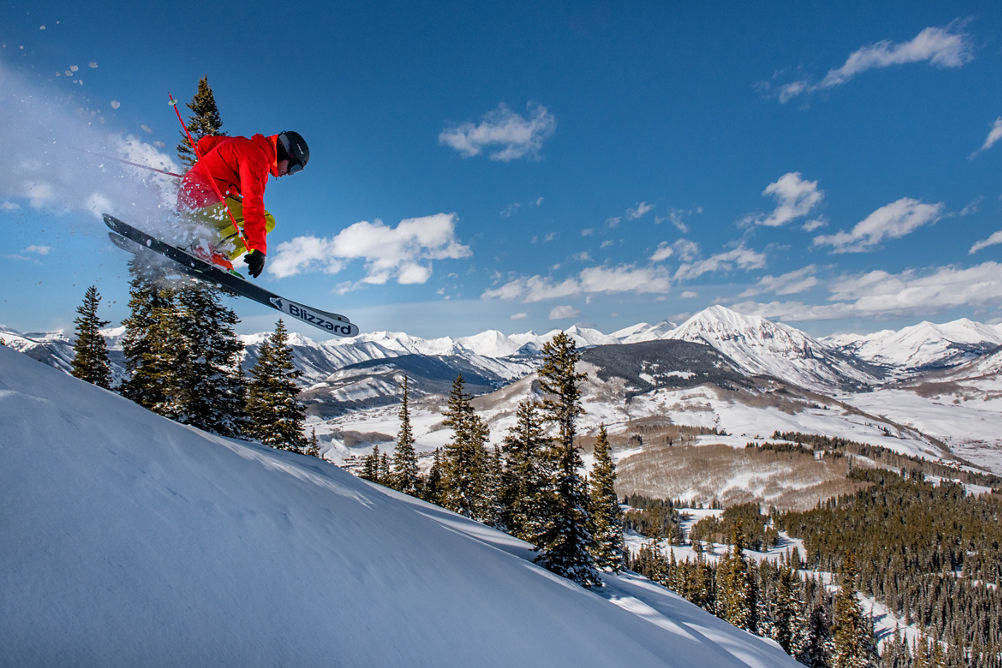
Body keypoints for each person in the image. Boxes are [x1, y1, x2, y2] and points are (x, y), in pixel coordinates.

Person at [176, 131, 309, 277]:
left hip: (190, 198)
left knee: (234, 205)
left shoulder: (241, 143)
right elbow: (253, 203)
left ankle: (201, 242)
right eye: (294, 168)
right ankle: (212, 251)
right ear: (286, 152)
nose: (289, 173)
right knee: (268, 220)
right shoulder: (257, 157)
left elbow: (204, 144)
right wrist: (258, 248)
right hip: (206, 199)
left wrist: (209, 168)